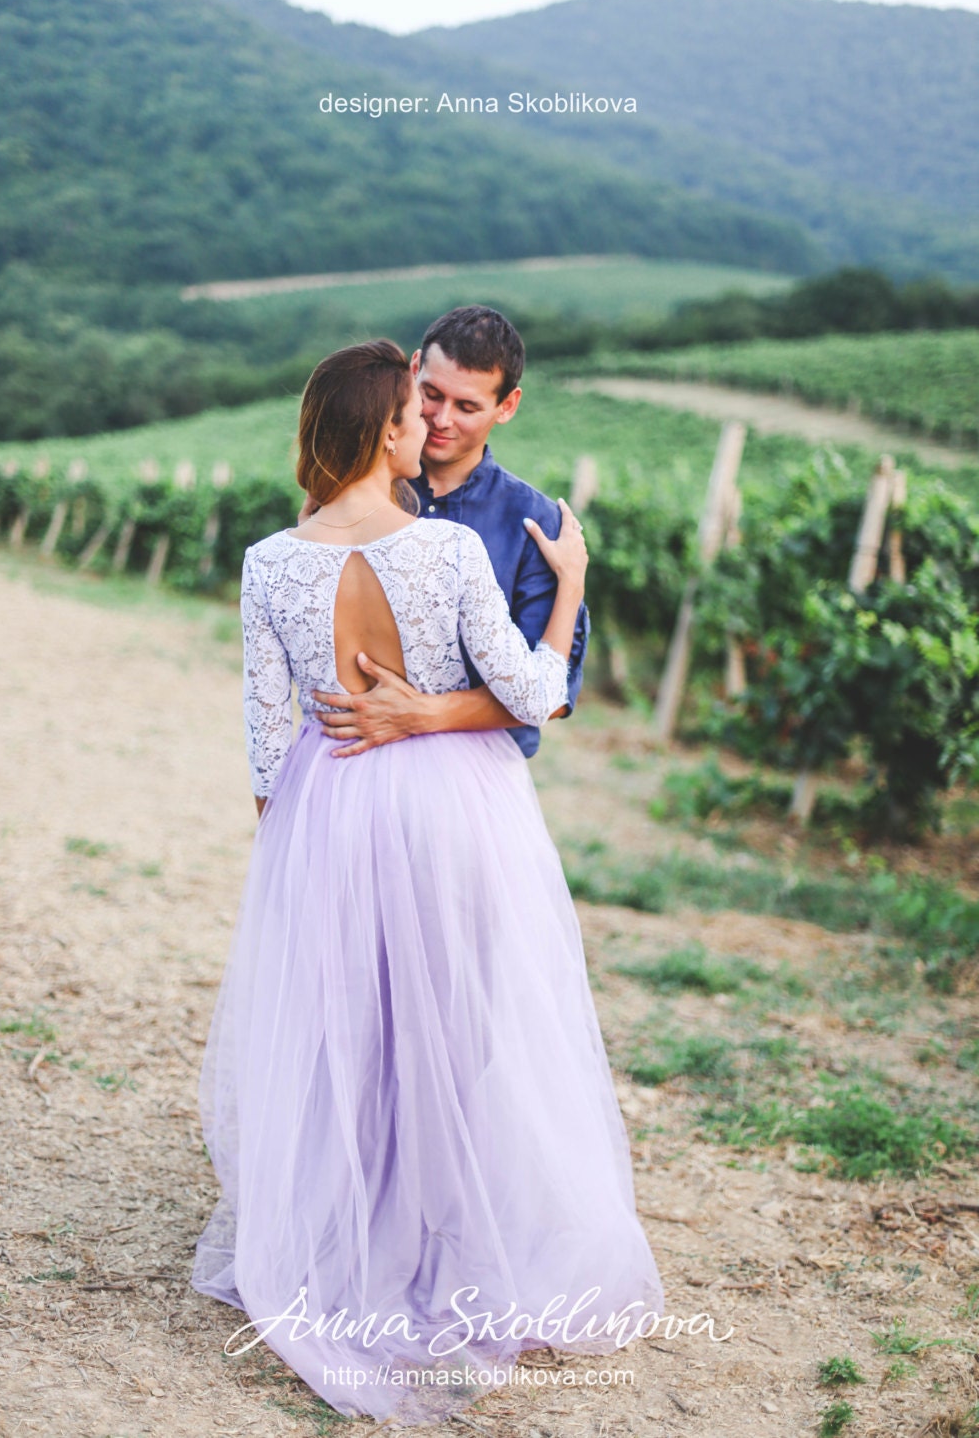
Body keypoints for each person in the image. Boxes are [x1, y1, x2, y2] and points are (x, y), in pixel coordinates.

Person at [190, 338, 664, 1426]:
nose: (429, 426)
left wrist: (291, 854)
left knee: (352, 1033)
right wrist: (570, 591)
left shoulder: (269, 562)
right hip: (450, 809)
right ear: (386, 432)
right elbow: (535, 693)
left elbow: (266, 742)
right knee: (455, 1030)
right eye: (415, 411)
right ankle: (449, 1251)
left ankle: (355, 1238)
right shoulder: (447, 554)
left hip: (327, 806)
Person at [302, 305, 591, 761]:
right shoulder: (349, 490)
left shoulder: (536, 524)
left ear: (507, 406)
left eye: (468, 406)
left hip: (478, 778)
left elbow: (552, 696)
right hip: (352, 762)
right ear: (413, 369)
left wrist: (421, 714)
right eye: (431, 394)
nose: (441, 418)